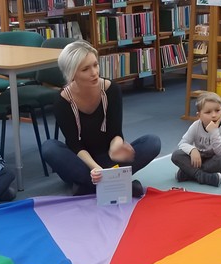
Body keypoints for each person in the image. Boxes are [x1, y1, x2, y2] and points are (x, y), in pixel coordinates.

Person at [42, 40, 162, 197]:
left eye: (95, 65)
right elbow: (74, 144)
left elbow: (115, 132)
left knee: (152, 142)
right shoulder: (62, 101)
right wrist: (95, 168)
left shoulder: (111, 90)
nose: (94, 72)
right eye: (85, 69)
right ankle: (118, 184)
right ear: (72, 74)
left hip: (110, 159)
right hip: (82, 162)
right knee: (49, 148)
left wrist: (116, 148)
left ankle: (88, 187)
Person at [171, 91, 221, 187]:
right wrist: (192, 150)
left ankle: (188, 173)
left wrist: (214, 131)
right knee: (176, 155)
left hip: (213, 160)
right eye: (208, 112)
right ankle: (205, 177)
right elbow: (182, 143)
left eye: (217, 110)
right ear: (199, 115)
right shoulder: (196, 125)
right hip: (197, 159)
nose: (214, 115)